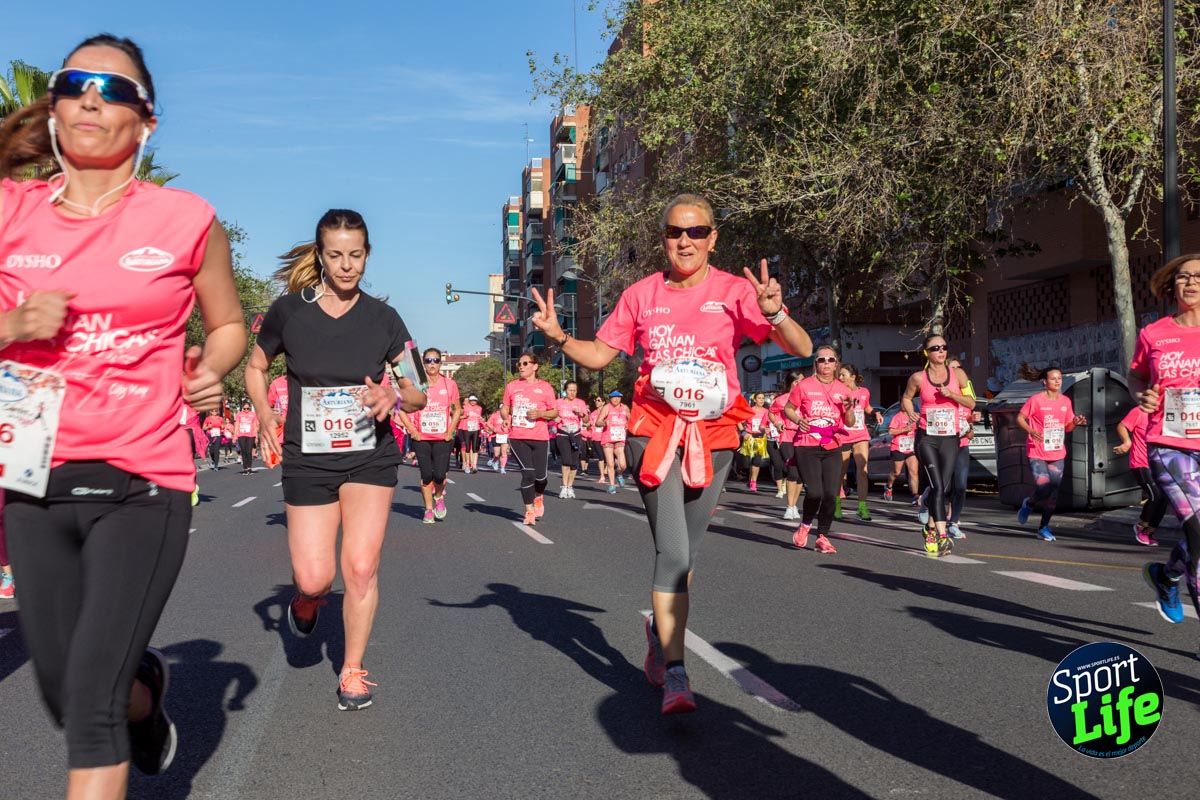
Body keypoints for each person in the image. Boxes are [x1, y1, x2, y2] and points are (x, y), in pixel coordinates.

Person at [0, 33, 247, 798]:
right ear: (54, 108)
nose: (90, 99)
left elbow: (229, 322)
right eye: (75, 83)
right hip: (32, 471)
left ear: (146, 122)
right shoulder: (10, 212)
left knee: (90, 707)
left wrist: (211, 366)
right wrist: (12, 329)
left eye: (113, 90)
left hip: (145, 475)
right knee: (60, 692)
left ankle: (121, 703)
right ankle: (145, 696)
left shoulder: (185, 219)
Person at [530, 193, 812, 715]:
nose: (686, 241)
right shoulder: (641, 295)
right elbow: (597, 355)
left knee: (686, 557)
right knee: (675, 553)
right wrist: (560, 336)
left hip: (716, 437)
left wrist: (775, 313)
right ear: (662, 238)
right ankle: (678, 673)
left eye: (697, 231)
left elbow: (801, 348)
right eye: (675, 232)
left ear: (713, 238)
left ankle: (659, 637)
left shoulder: (734, 291)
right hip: (653, 434)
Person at [245, 209, 425, 712]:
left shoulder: (384, 319)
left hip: (371, 455)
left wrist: (394, 396)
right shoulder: (288, 312)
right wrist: (263, 416)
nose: (347, 266)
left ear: (368, 255)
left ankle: (353, 670)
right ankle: (305, 603)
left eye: (356, 255)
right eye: (336, 255)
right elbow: (255, 367)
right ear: (321, 256)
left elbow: (419, 392)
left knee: (362, 567)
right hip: (308, 459)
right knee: (315, 578)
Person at [1133, 252, 1200, 627]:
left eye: (1198, 277)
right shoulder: (1154, 333)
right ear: (1172, 286)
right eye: (1183, 277)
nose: (1190, 282)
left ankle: (1167, 575)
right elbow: (1136, 377)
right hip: (1171, 444)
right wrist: (1141, 395)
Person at [901, 335, 975, 556]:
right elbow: (906, 397)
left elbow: (971, 402)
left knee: (943, 487)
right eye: (935, 348)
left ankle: (930, 528)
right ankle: (942, 537)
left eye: (944, 347)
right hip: (927, 437)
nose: (941, 351)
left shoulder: (958, 374)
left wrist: (952, 395)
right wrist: (910, 411)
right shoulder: (917, 378)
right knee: (937, 485)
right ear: (926, 352)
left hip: (950, 438)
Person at [785, 345, 857, 554]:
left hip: (832, 445)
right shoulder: (805, 386)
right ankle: (805, 524)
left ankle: (822, 536)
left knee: (830, 493)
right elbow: (789, 408)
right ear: (815, 363)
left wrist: (849, 409)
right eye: (821, 360)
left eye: (831, 360)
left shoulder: (844, 390)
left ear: (837, 364)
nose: (826, 364)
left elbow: (850, 422)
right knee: (815, 492)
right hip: (807, 445)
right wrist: (799, 420)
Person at [1015, 366, 1085, 542]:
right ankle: (1029, 504)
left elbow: (1067, 427)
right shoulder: (1036, 400)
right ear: (1045, 382)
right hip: (1037, 451)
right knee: (1043, 487)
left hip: (1057, 452)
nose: (1057, 381)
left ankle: (1044, 527)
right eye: (1053, 378)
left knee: (1053, 493)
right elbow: (1020, 418)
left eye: (1059, 378)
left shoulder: (1065, 402)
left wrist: (1075, 422)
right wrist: (1031, 430)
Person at [398, 347, 459, 524]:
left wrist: (451, 431)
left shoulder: (450, 385)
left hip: (442, 438)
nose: (432, 364)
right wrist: (412, 430)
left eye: (436, 360)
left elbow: (457, 409)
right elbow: (400, 409)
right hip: (421, 438)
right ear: (423, 364)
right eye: (428, 360)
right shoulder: (416, 385)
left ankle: (438, 497)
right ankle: (428, 510)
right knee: (426, 475)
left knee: (439, 475)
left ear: (441, 363)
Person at [501, 351, 557, 524]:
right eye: (519, 363)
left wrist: (540, 413)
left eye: (525, 363)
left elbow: (554, 412)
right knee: (528, 473)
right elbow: (505, 408)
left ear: (535, 366)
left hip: (540, 437)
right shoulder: (512, 386)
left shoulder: (546, 387)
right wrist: (506, 418)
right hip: (518, 436)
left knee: (541, 477)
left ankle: (539, 496)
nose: (521, 366)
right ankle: (529, 511)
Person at [1115, 405, 1170, 546]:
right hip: (1140, 462)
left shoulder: (1168, 413)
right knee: (1155, 495)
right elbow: (1122, 426)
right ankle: (1140, 526)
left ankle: (1149, 532)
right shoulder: (1140, 411)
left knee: (1164, 498)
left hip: (1158, 463)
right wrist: (1127, 442)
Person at [835, 364, 880, 521]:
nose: (840, 378)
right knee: (841, 472)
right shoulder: (837, 393)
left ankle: (862, 507)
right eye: (839, 375)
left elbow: (866, 406)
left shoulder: (864, 392)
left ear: (853, 376)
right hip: (843, 435)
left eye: (843, 375)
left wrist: (875, 412)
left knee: (863, 470)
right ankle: (837, 504)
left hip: (860, 434)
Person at [771, 371, 805, 519]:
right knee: (792, 471)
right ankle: (789, 507)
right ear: (794, 383)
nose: (804, 383)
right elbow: (771, 412)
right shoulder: (782, 399)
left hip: (804, 437)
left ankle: (794, 505)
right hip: (787, 437)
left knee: (801, 474)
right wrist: (778, 423)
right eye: (801, 381)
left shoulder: (806, 398)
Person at [555, 381, 589, 498]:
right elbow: (552, 416)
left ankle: (570, 486)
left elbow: (586, 420)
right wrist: (556, 418)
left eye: (574, 390)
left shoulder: (580, 403)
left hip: (576, 434)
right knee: (566, 460)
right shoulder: (558, 402)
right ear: (565, 390)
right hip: (563, 434)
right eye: (570, 390)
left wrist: (581, 413)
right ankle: (564, 487)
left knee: (574, 463)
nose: (572, 392)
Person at [596, 390, 631, 494]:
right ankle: (612, 485)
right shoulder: (607, 408)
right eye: (614, 397)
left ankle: (619, 474)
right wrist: (604, 423)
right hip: (608, 438)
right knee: (610, 463)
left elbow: (632, 420)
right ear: (610, 398)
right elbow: (597, 422)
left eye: (618, 397)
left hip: (620, 438)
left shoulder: (625, 408)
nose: (616, 399)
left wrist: (628, 424)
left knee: (623, 465)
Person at [884, 409, 919, 503]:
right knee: (896, 472)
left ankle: (915, 495)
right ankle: (889, 486)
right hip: (898, 447)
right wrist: (904, 429)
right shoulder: (897, 416)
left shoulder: (915, 415)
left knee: (914, 472)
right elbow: (891, 431)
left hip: (911, 448)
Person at [739, 392, 771, 493]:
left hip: (760, 439)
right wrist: (743, 433)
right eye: (759, 398)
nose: (761, 400)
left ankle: (753, 482)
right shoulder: (749, 410)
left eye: (763, 398)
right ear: (754, 400)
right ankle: (750, 479)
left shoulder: (766, 411)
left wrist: (768, 429)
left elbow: (770, 424)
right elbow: (738, 421)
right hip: (749, 438)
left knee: (756, 462)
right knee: (747, 463)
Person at [459, 394, 484, 473]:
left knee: (475, 447)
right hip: (466, 429)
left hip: (476, 429)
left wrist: (482, 421)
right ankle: (466, 464)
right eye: (472, 400)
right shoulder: (464, 407)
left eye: (475, 400)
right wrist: (465, 416)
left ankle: (474, 465)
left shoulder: (479, 408)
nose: (473, 402)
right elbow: (458, 417)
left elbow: (480, 418)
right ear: (469, 401)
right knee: (467, 447)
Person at [587, 395, 610, 485]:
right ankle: (602, 476)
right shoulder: (593, 414)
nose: (597, 402)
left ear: (603, 402)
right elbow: (590, 424)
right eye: (596, 400)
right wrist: (587, 424)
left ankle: (607, 470)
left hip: (607, 436)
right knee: (601, 457)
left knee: (608, 457)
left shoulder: (607, 412)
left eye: (599, 400)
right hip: (596, 437)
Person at [234, 400, 259, 474]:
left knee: (249, 452)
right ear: (242, 408)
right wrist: (235, 436)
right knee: (243, 452)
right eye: (244, 409)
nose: (246, 410)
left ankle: (249, 468)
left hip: (251, 435)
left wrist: (256, 437)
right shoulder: (239, 414)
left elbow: (255, 426)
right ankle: (245, 468)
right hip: (241, 435)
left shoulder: (253, 414)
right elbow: (237, 425)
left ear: (250, 408)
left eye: (248, 408)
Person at [485, 406, 509, 473]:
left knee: (504, 452)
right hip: (496, 435)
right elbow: (488, 423)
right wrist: (493, 429)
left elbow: (512, 425)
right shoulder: (494, 415)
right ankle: (494, 461)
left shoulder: (509, 416)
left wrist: (509, 429)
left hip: (505, 435)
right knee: (496, 454)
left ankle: (502, 468)